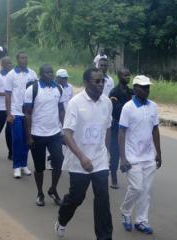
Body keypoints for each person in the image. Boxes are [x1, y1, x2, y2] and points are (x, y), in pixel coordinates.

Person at [56, 68, 113, 239]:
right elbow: (67, 134)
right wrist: (82, 157)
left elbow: (108, 128)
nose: (101, 84)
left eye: (102, 81)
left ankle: (104, 237)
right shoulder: (75, 103)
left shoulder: (107, 103)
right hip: (79, 161)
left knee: (103, 200)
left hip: (100, 159)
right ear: (86, 83)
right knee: (76, 197)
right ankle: (62, 219)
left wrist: (107, 152)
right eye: (97, 81)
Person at [118, 75, 162, 234]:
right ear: (135, 88)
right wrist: (123, 158)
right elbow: (121, 132)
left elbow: (155, 130)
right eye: (143, 87)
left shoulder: (153, 106)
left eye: (148, 87)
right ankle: (125, 211)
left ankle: (141, 221)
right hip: (132, 156)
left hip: (149, 156)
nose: (146, 90)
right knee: (136, 188)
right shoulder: (128, 107)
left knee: (146, 191)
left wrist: (158, 153)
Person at [24, 64, 65, 206]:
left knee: (59, 163)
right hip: (37, 134)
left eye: (52, 72)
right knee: (40, 167)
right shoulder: (32, 89)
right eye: (47, 72)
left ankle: (53, 189)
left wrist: (64, 129)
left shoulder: (58, 88)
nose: (50, 74)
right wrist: (29, 136)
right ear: (41, 74)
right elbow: (27, 114)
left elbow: (61, 110)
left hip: (54, 133)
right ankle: (40, 193)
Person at [5, 52, 37, 178]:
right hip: (16, 112)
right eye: (22, 58)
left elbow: (36, 93)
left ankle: (24, 164)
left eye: (26, 57)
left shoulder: (32, 74)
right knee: (17, 140)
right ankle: (17, 166)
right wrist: (8, 114)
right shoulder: (11, 75)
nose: (24, 59)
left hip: (28, 113)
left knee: (27, 140)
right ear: (17, 60)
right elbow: (7, 95)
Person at [108, 68, 133, 189]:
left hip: (129, 127)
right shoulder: (114, 92)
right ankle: (113, 176)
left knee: (130, 151)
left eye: (129, 75)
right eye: (125, 75)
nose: (127, 77)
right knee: (115, 153)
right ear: (119, 77)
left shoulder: (132, 92)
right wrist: (129, 107)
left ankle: (132, 177)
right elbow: (115, 110)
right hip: (117, 126)